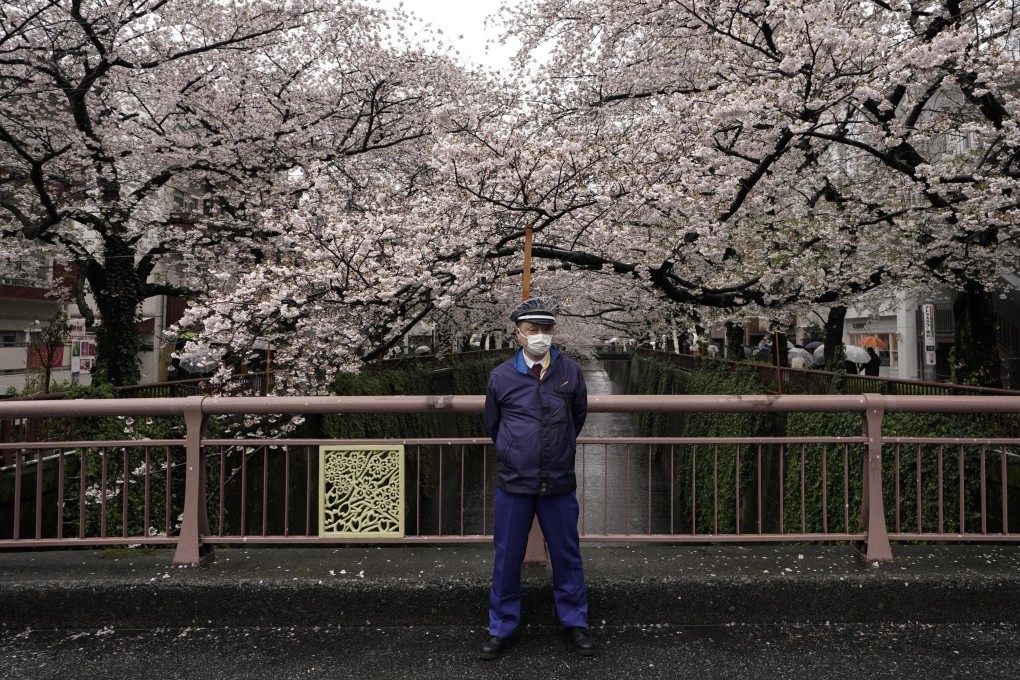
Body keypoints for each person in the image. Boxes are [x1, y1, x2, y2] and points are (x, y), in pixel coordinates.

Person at [480, 296, 594, 660]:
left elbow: (578, 418)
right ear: (519, 334)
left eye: (547, 329)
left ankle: (575, 623)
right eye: (533, 330)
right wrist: (517, 450)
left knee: (567, 554)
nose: (541, 335)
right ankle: (501, 627)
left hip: (558, 479)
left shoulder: (570, 371)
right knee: (506, 556)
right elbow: (492, 425)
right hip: (514, 481)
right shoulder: (500, 375)